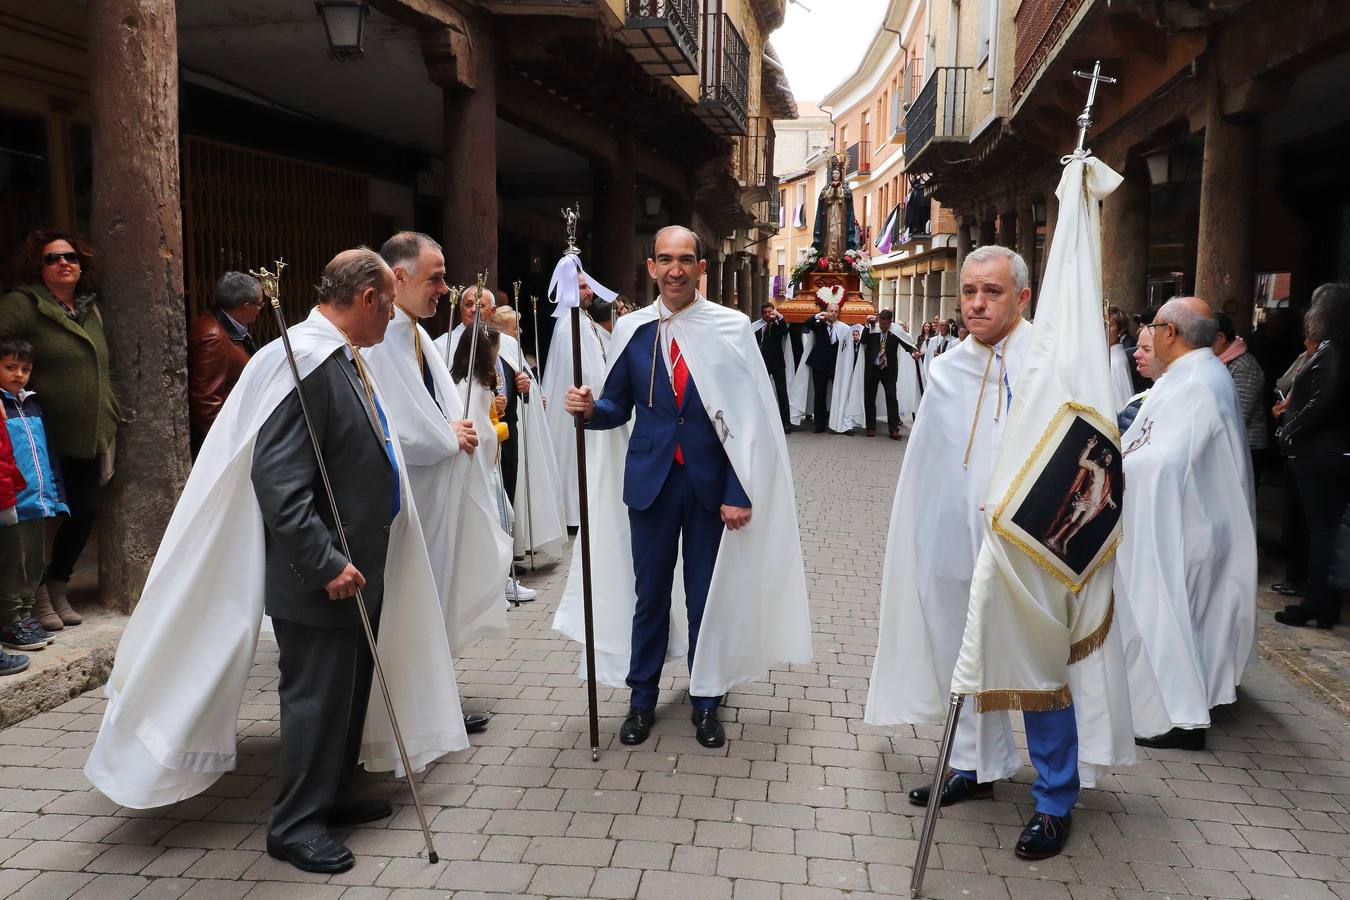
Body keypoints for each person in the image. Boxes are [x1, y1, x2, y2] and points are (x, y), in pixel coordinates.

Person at [84, 249, 470, 875]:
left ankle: (335, 791)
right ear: (368, 298)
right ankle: (295, 824)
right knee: (316, 697)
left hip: (360, 560)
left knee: (348, 689)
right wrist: (324, 562)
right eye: (387, 310)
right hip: (321, 575)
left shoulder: (342, 355)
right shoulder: (306, 362)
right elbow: (281, 482)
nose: (390, 324)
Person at [865, 246, 1096, 861]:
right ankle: (974, 764)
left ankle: (1054, 799)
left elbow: (1082, 459)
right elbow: (930, 468)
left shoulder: (1051, 365)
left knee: (1038, 668)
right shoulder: (945, 370)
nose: (975, 303)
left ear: (1022, 298)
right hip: (954, 546)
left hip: (1028, 550)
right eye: (969, 291)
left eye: (991, 292)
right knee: (960, 656)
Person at [559, 226, 811, 749]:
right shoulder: (630, 329)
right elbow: (617, 406)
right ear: (650, 267)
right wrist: (588, 410)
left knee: (704, 598)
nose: (676, 269)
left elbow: (751, 417)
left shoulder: (731, 327)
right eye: (665, 259)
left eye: (686, 259)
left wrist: (740, 490)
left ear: (701, 267)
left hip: (708, 488)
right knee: (648, 596)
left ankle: (706, 698)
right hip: (649, 485)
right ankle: (641, 698)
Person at [365, 232, 502, 735]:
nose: (445, 289)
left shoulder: (417, 332)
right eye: (437, 278)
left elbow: (438, 406)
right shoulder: (378, 337)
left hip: (436, 496)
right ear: (397, 278)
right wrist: (449, 434)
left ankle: (434, 702)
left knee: (433, 604)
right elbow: (386, 425)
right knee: (408, 608)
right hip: (407, 500)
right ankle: (410, 711)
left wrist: (458, 430)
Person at [1116, 296, 1256, 750]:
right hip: (1190, 518)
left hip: (1184, 525)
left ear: (1170, 334)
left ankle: (1176, 719)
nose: (1150, 336)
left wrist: (1113, 467)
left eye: (1154, 327)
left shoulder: (1196, 382)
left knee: (1167, 615)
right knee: (1179, 620)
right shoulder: (1195, 373)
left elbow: (1163, 461)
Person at [0, 229, 117, 629]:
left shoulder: (90, 307)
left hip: (87, 431)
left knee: (83, 510)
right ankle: (34, 597)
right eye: (52, 258)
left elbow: (104, 362)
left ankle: (58, 584)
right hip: (36, 433)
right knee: (35, 516)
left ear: (82, 264)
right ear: (39, 265)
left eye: (69, 257)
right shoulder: (23, 305)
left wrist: (111, 404)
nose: (62, 263)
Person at [1274, 284, 1350, 628]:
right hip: (1322, 453)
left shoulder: (1332, 352)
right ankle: (1324, 602)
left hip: (1321, 455)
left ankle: (1316, 600)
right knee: (1324, 531)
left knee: (1320, 531)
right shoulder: (1333, 349)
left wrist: (1289, 430)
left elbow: (1321, 402)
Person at [0, 339, 68, 657]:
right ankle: (10, 620)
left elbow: (48, 453)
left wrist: (56, 494)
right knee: (14, 563)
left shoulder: (33, 404)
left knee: (35, 562)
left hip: (38, 499)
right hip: (13, 503)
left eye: (25, 369)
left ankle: (26, 615)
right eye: (10, 367)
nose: (18, 375)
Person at [492, 305, 567, 561]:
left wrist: (529, 391)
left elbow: (523, 386)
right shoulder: (503, 345)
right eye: (515, 327)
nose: (520, 331)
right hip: (500, 429)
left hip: (513, 425)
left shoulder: (513, 347)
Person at [541, 271, 609, 529]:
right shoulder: (569, 323)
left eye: (588, 287)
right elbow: (580, 368)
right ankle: (574, 510)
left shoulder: (582, 319)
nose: (588, 292)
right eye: (582, 288)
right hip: (577, 403)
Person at [188, 272, 262, 454]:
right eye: (260, 304)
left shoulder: (231, 325)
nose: (262, 307)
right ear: (245, 307)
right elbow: (207, 403)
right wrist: (228, 446)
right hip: (226, 442)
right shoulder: (212, 337)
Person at [1271, 330, 1320, 599]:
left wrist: (1292, 422)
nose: (1304, 342)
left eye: (1309, 337)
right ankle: (1296, 574)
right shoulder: (1306, 357)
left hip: (1310, 452)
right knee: (1293, 517)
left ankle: (1307, 582)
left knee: (1307, 522)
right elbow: (1283, 381)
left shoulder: (1325, 360)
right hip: (1294, 448)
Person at [1213, 311, 1268, 485]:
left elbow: (1241, 413)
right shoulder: (1225, 361)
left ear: (1221, 337)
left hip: (1247, 445)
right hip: (1231, 442)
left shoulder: (1244, 365)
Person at [857, 309, 915, 439]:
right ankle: (871, 427)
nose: (882, 326)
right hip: (873, 368)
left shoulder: (896, 331)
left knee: (892, 398)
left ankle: (893, 429)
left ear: (890, 322)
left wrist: (913, 353)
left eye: (885, 324)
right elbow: (863, 342)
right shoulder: (872, 328)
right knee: (869, 398)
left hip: (888, 370)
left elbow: (907, 344)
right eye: (881, 323)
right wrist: (867, 326)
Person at [752, 300, 793, 432]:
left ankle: (786, 422)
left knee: (782, 392)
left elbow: (785, 332)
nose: (767, 315)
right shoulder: (756, 326)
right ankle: (761, 421)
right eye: (765, 312)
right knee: (760, 392)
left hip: (777, 363)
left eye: (770, 312)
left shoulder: (778, 324)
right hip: (762, 363)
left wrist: (779, 317)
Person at [1106, 306, 1134, 414]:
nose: (1104, 329)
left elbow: (1118, 404)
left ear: (1120, 330)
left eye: (1109, 325)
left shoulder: (1114, 362)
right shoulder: (1112, 356)